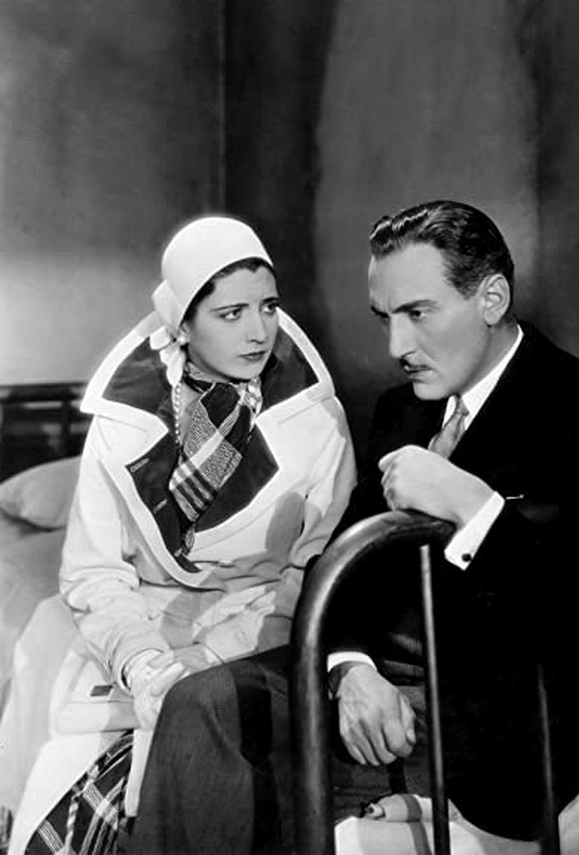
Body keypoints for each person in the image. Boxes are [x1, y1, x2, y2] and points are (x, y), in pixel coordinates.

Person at [129, 200, 579, 854]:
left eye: (417, 314)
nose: (396, 347)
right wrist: (350, 670)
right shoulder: (402, 411)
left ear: (491, 298)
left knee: (252, 788)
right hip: (386, 688)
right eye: (385, 318)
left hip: (507, 714)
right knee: (199, 704)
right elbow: (341, 567)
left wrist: (476, 511)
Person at [0, 215, 355, 854]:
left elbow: (314, 570)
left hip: (260, 629)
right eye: (231, 313)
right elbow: (94, 571)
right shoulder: (123, 420)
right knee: (61, 742)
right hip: (141, 619)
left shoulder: (315, 417)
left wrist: (210, 654)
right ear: (183, 325)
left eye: (268, 306)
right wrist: (142, 661)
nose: (258, 330)